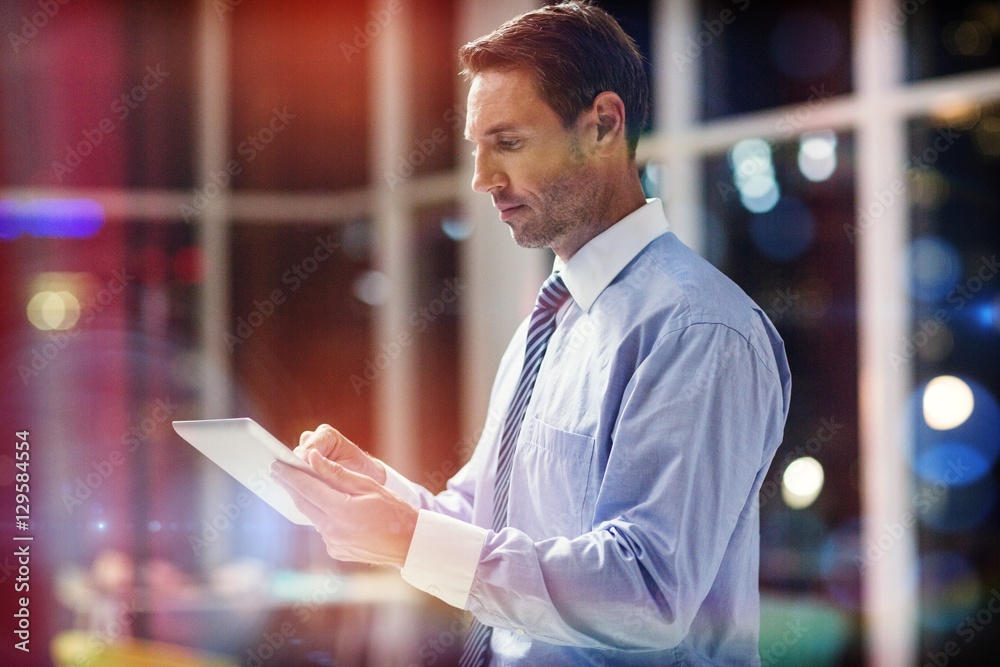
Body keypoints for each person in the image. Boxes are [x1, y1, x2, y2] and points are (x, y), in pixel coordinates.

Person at [271, 2, 791, 665]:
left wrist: (408, 540)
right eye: (477, 147)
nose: (482, 179)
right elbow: (488, 525)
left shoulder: (700, 329)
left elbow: (647, 589)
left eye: (509, 143)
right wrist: (381, 493)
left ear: (603, 125)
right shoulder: (551, 321)